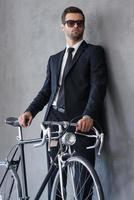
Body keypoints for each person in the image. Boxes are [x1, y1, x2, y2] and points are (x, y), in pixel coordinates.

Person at [19, 6, 107, 199]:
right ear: (63, 27)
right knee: (56, 179)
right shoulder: (54, 59)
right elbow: (46, 91)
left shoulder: (93, 53)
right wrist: (30, 111)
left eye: (80, 23)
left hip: (79, 123)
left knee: (83, 179)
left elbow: (98, 87)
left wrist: (89, 114)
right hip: (53, 122)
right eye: (71, 22)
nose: (76, 26)